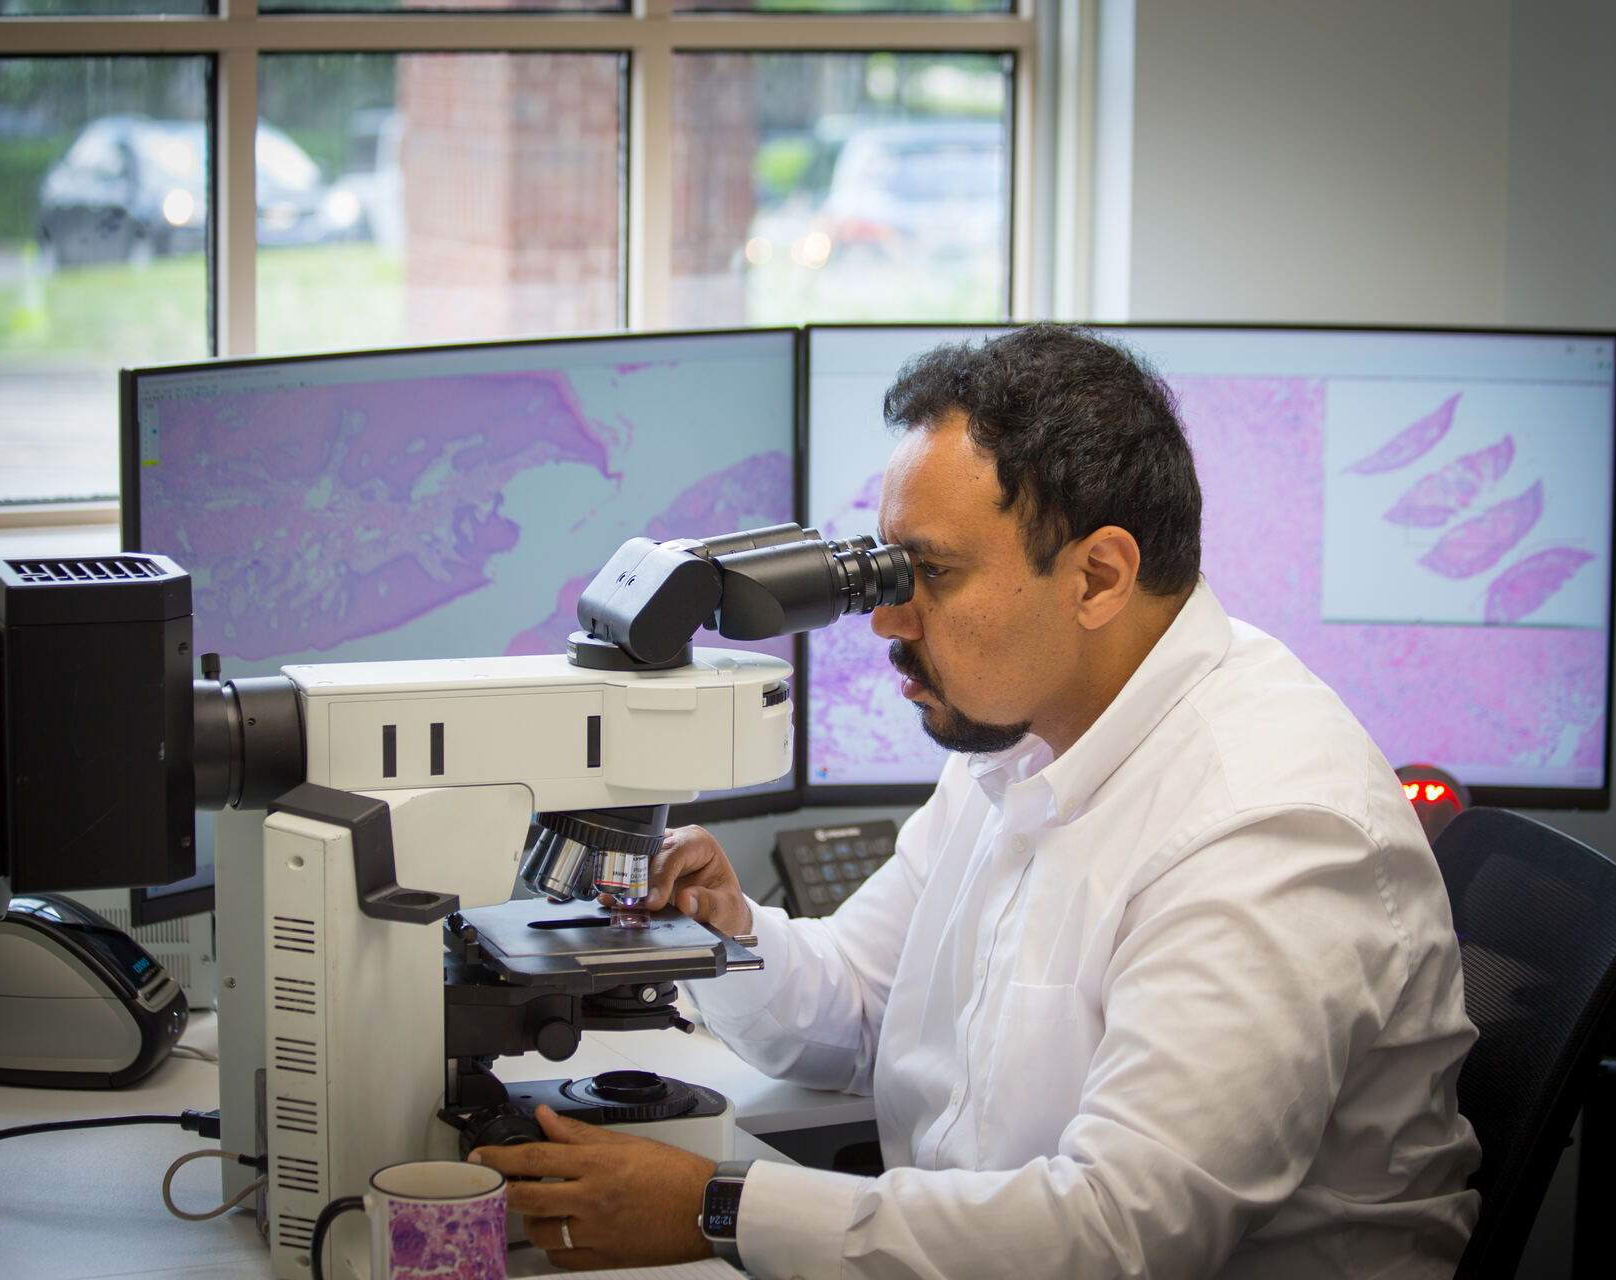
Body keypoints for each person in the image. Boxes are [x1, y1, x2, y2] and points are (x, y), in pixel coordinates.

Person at [474, 324, 1482, 1278]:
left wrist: (718, 1207)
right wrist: (723, 930)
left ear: (1098, 576)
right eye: (888, 568)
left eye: (932, 573)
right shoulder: (1025, 729)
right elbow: (864, 1004)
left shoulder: (1264, 828)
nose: (888, 620)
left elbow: (1120, 1238)